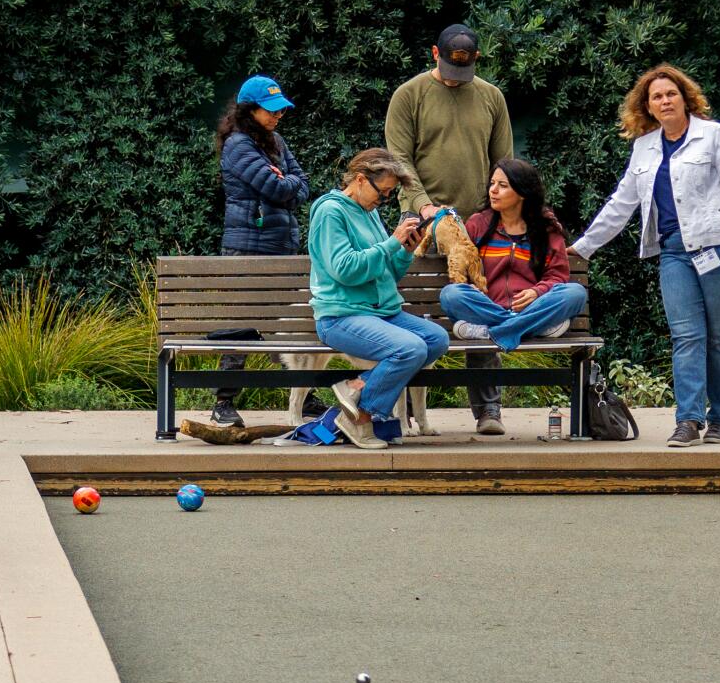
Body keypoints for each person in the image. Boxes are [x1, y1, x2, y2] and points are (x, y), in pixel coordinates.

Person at [572, 64, 720, 447]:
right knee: (686, 335)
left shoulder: (713, 135)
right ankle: (688, 420)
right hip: (673, 251)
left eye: (671, 94)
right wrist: (583, 246)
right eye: (657, 97)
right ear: (648, 107)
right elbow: (622, 203)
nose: (665, 100)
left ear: (685, 99)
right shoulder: (645, 147)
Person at [385, 23, 515, 433]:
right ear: (433, 53)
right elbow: (398, 159)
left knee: (481, 307)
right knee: (412, 313)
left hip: (477, 222)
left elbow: (503, 162)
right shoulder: (409, 95)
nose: (457, 79)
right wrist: (424, 207)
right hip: (419, 223)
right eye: (449, 68)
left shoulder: (491, 96)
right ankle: (404, 412)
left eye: (466, 71)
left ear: (476, 59)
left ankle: (488, 410)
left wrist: (495, 213)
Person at [309, 148, 449, 450]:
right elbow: (344, 269)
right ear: (360, 179)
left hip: (380, 312)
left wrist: (404, 251)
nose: (382, 200)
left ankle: (356, 387)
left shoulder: (368, 212)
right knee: (409, 349)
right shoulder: (330, 211)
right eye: (382, 192)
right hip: (341, 315)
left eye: (388, 195)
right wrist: (390, 244)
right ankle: (359, 418)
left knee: (436, 339)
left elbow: (385, 272)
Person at [208, 74, 317, 427]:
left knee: (288, 326)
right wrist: (285, 183)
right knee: (241, 328)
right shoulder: (238, 145)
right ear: (248, 111)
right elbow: (276, 188)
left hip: (282, 248)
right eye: (270, 111)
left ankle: (305, 395)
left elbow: (302, 185)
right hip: (247, 250)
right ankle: (224, 402)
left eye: (280, 110)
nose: (277, 116)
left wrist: (287, 182)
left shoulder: (276, 141)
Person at [437, 159, 589, 369]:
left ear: (522, 192)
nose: (493, 191)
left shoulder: (546, 230)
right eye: (492, 184)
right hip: (487, 307)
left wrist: (536, 292)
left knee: (575, 293)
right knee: (450, 294)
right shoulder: (478, 224)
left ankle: (493, 332)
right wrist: (470, 284)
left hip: (531, 307)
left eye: (503, 185)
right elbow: (462, 262)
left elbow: (557, 276)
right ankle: (533, 327)